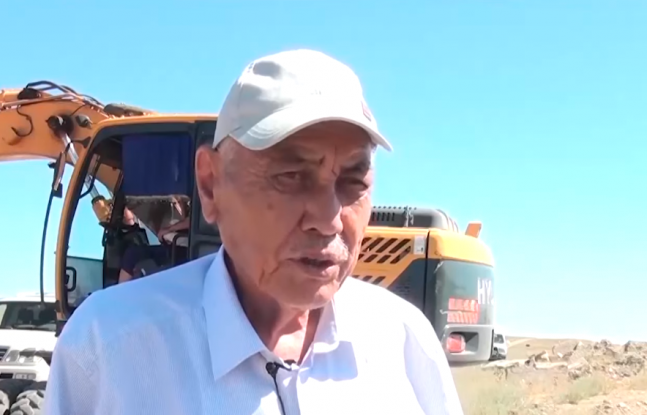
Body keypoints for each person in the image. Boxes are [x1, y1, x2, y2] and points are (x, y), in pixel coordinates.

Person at [44, 49, 463, 414]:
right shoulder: (106, 349)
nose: (329, 218)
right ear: (211, 185)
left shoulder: (404, 343)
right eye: (291, 175)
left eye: (353, 181)